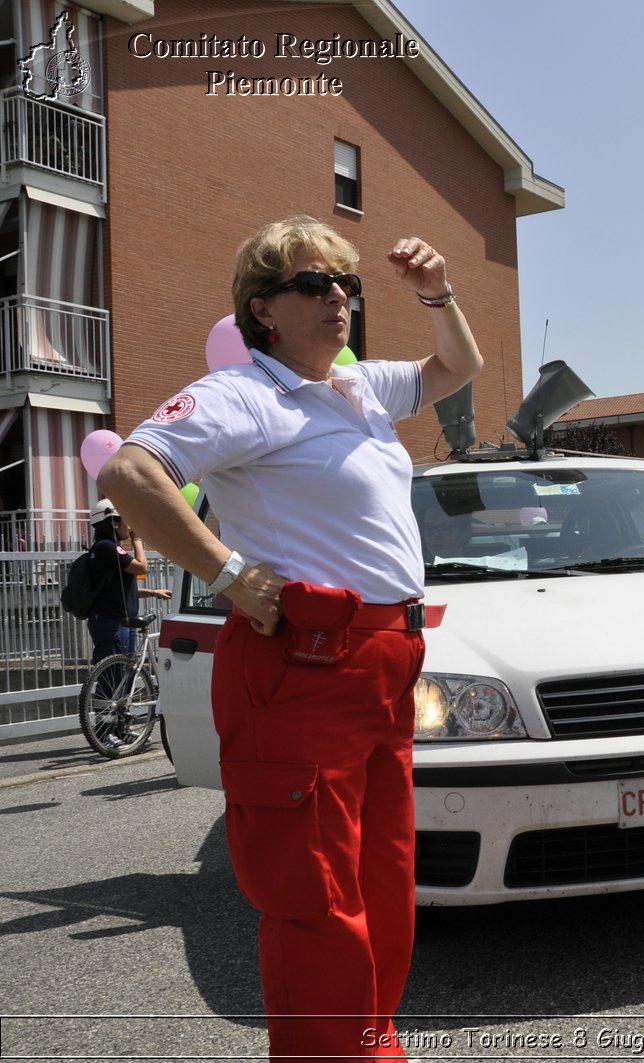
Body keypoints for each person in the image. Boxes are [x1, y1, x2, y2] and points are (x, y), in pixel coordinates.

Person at [97, 216, 482, 1061]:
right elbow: (128, 471)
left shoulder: (354, 388)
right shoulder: (246, 394)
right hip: (305, 667)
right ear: (262, 308)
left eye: (347, 285)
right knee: (314, 901)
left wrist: (439, 294)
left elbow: (457, 368)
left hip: (382, 667)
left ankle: (371, 1047)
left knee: (381, 892)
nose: (338, 298)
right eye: (315, 284)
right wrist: (230, 572)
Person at [84, 498, 171, 664]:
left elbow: (121, 591)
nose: (130, 526)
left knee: (125, 675)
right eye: (127, 520)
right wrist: (137, 540)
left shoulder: (107, 548)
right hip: (111, 622)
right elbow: (141, 567)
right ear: (114, 523)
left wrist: (153, 592)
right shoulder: (106, 547)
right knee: (114, 678)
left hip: (119, 621)